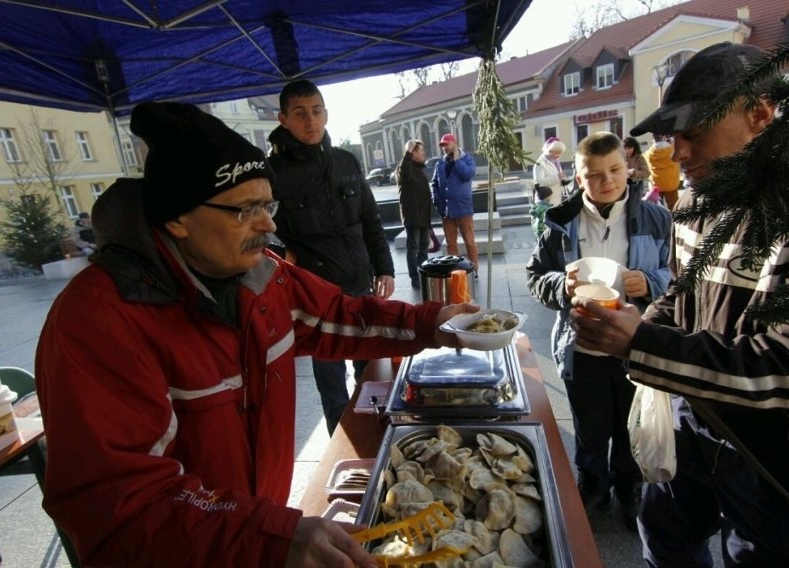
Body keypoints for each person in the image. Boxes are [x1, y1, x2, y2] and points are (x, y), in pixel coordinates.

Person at [35, 101, 476, 567]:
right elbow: (120, 506)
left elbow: (340, 315)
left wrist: (432, 323)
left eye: (268, 204)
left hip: (253, 537)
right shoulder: (98, 322)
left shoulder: (261, 277)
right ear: (178, 218)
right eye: (246, 210)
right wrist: (266, 537)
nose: (268, 223)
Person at [571, 42, 789, 566]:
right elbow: (681, 290)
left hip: (776, 456)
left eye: (692, 134)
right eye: (673, 137)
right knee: (665, 537)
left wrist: (643, 343)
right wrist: (636, 322)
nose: (677, 155)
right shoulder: (698, 199)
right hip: (690, 426)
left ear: (759, 113)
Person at [527, 131, 671, 529]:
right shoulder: (561, 223)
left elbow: (677, 273)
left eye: (614, 170)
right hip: (582, 347)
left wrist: (653, 281)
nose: (606, 180)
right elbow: (536, 278)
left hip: (632, 346)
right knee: (590, 429)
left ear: (629, 168)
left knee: (628, 424)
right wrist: (562, 285)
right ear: (578, 178)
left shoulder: (656, 218)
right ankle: (593, 485)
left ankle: (628, 485)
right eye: (593, 174)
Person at [267, 79, 396, 436]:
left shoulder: (345, 161)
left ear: (326, 113)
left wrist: (384, 267)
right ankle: (347, 449)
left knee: (372, 373)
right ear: (284, 118)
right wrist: (284, 253)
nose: (310, 120)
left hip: (361, 286)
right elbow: (256, 228)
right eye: (300, 113)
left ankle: (380, 442)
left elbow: (370, 219)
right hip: (316, 298)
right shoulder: (272, 174)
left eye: (317, 110)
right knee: (332, 384)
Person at [431, 133, 479, 277]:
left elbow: (468, 175)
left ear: (454, 143)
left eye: (447, 144)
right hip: (446, 211)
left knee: (469, 242)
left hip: (463, 209)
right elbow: (434, 184)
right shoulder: (440, 163)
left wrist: (458, 160)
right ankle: (455, 272)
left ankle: (473, 270)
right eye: (442, 145)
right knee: (451, 244)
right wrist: (437, 202)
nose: (444, 148)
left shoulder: (467, 159)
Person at [395, 139, 433, 289]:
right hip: (412, 217)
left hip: (423, 216)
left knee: (423, 248)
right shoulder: (403, 169)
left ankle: (422, 274)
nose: (423, 153)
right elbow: (405, 172)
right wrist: (408, 151)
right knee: (413, 249)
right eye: (420, 151)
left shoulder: (419, 170)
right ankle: (414, 278)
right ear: (413, 153)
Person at [644, 134, 681, 210]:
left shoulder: (649, 153)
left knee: (658, 206)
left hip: (657, 183)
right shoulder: (672, 150)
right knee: (674, 206)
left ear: (653, 139)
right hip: (671, 182)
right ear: (664, 137)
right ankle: (674, 219)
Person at [533, 137, 571, 205]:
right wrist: (557, 177)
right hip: (546, 201)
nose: (558, 156)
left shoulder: (556, 162)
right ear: (549, 150)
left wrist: (563, 180)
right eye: (556, 153)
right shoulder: (540, 163)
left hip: (556, 199)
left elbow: (556, 179)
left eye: (559, 153)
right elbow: (539, 182)